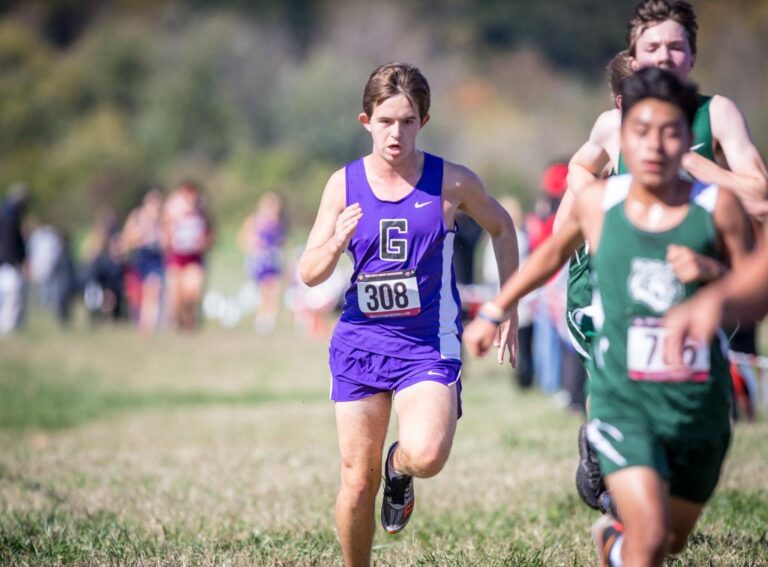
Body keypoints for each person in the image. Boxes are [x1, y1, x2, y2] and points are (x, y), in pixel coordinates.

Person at [465, 67, 751, 567]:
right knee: (650, 535)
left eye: (669, 132)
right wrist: (495, 307)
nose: (655, 146)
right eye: (641, 132)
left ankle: (613, 548)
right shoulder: (599, 202)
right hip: (624, 400)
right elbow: (550, 255)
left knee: (671, 540)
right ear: (623, 138)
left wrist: (714, 282)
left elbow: (757, 280)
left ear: (689, 138)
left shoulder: (718, 206)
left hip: (696, 402)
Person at [299, 62, 519, 567]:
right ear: (365, 121)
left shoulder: (451, 182)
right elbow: (309, 273)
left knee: (427, 455)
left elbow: (502, 227)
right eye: (385, 121)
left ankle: (400, 470)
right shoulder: (343, 184)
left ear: (424, 120)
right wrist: (336, 240)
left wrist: (508, 303)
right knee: (357, 482)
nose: (396, 133)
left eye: (407, 121)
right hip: (359, 344)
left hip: (427, 344)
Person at [557, 0, 768, 515]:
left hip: (687, 279)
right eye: (652, 46)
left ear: (692, 56)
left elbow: (759, 194)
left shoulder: (716, 113)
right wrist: (606, 221)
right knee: (616, 379)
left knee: (676, 406)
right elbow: (577, 173)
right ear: (635, 55)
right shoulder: (614, 121)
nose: (665, 56)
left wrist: (692, 161)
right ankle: (616, 478)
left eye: (676, 46)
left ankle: (616, 464)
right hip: (613, 277)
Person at [162, 182, 213, 330]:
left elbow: (209, 236)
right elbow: (165, 238)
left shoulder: (201, 215)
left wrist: (203, 244)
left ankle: (191, 321)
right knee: (177, 297)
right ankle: (180, 322)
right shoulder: (172, 214)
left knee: (193, 293)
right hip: (176, 258)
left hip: (194, 259)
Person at [238, 191, 287, 334]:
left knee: (273, 289)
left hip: (273, 260)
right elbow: (243, 239)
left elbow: (281, 243)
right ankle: (264, 319)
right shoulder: (255, 220)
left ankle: (268, 319)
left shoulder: (279, 223)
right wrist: (254, 245)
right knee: (267, 289)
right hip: (259, 261)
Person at [123, 190, 165, 333]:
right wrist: (141, 235)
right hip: (138, 258)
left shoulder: (163, 219)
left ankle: (148, 327)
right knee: (137, 296)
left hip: (154, 259)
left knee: (153, 290)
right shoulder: (136, 217)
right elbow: (126, 240)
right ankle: (139, 321)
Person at [0, 183, 28, 336]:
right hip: (9, 265)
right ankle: (8, 330)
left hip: (6, 263)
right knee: (11, 297)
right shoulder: (11, 216)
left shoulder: (7, 214)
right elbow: (13, 243)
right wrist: (19, 260)